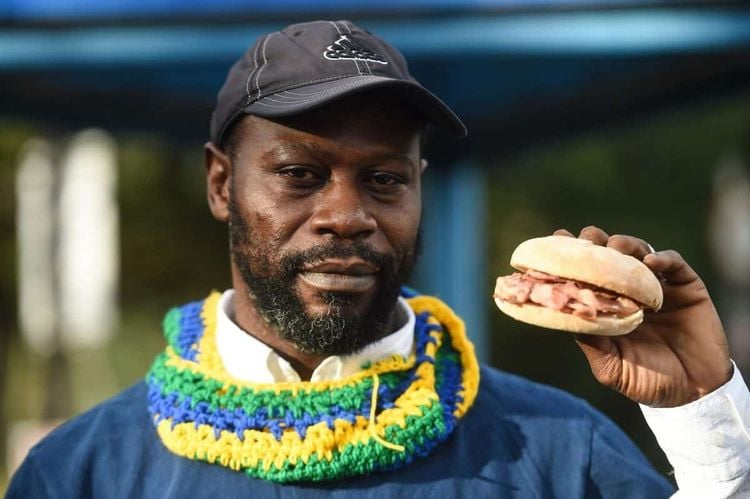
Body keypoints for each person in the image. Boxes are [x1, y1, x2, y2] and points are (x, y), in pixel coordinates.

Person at [7, 19, 750, 498]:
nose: (347, 216)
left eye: (385, 178)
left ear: (418, 189)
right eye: (300, 174)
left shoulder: (561, 449)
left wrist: (703, 415)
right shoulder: (83, 472)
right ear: (222, 183)